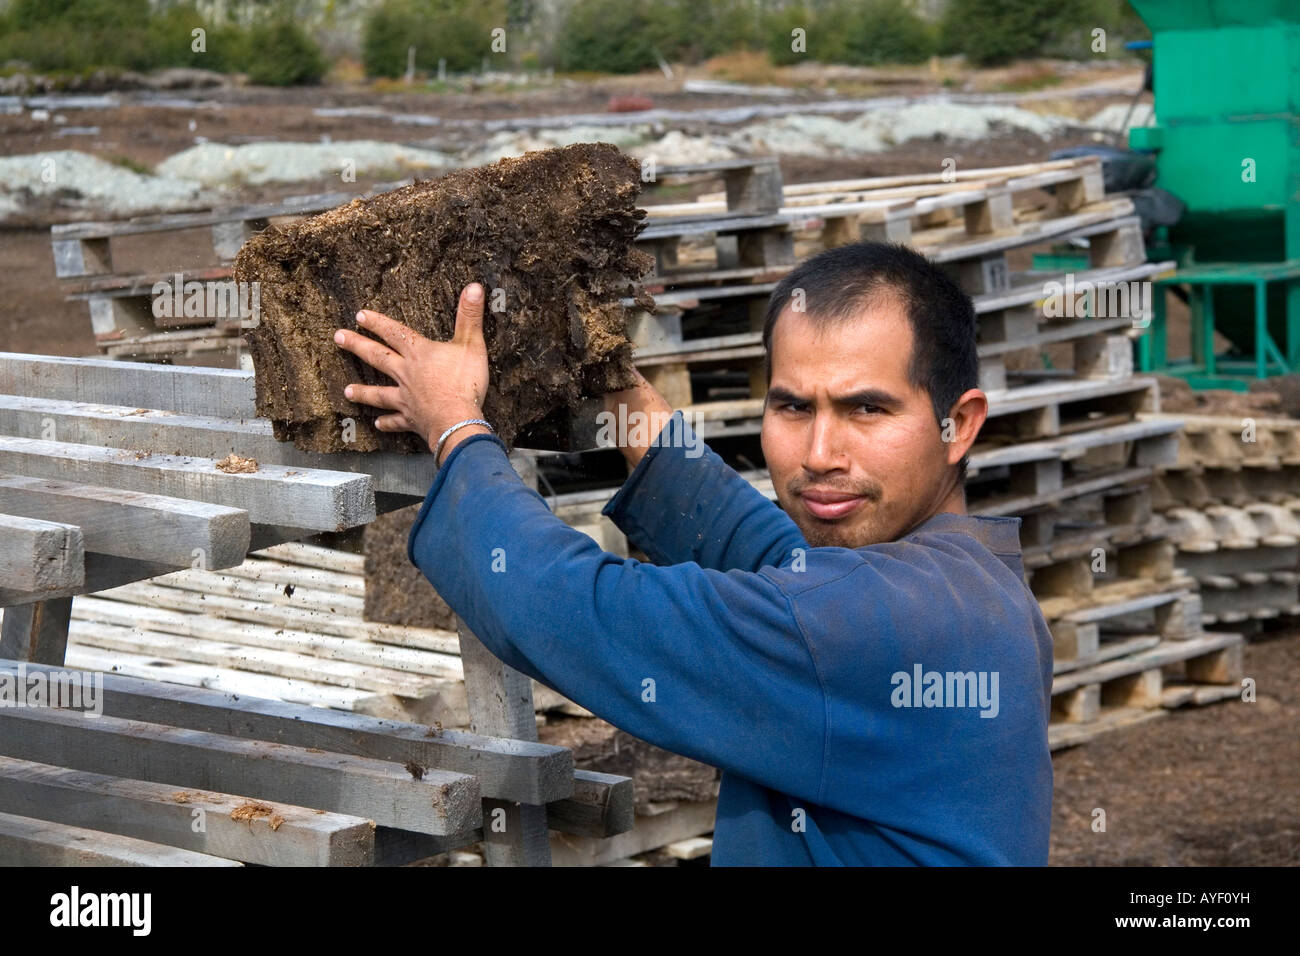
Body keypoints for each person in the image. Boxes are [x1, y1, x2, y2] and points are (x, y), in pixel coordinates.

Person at [333, 240, 1053, 866]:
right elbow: (772, 557)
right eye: (793, 407)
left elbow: (575, 609)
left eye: (868, 409)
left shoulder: (876, 625)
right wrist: (617, 385)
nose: (821, 454)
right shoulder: (972, 587)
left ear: (957, 424)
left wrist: (455, 425)